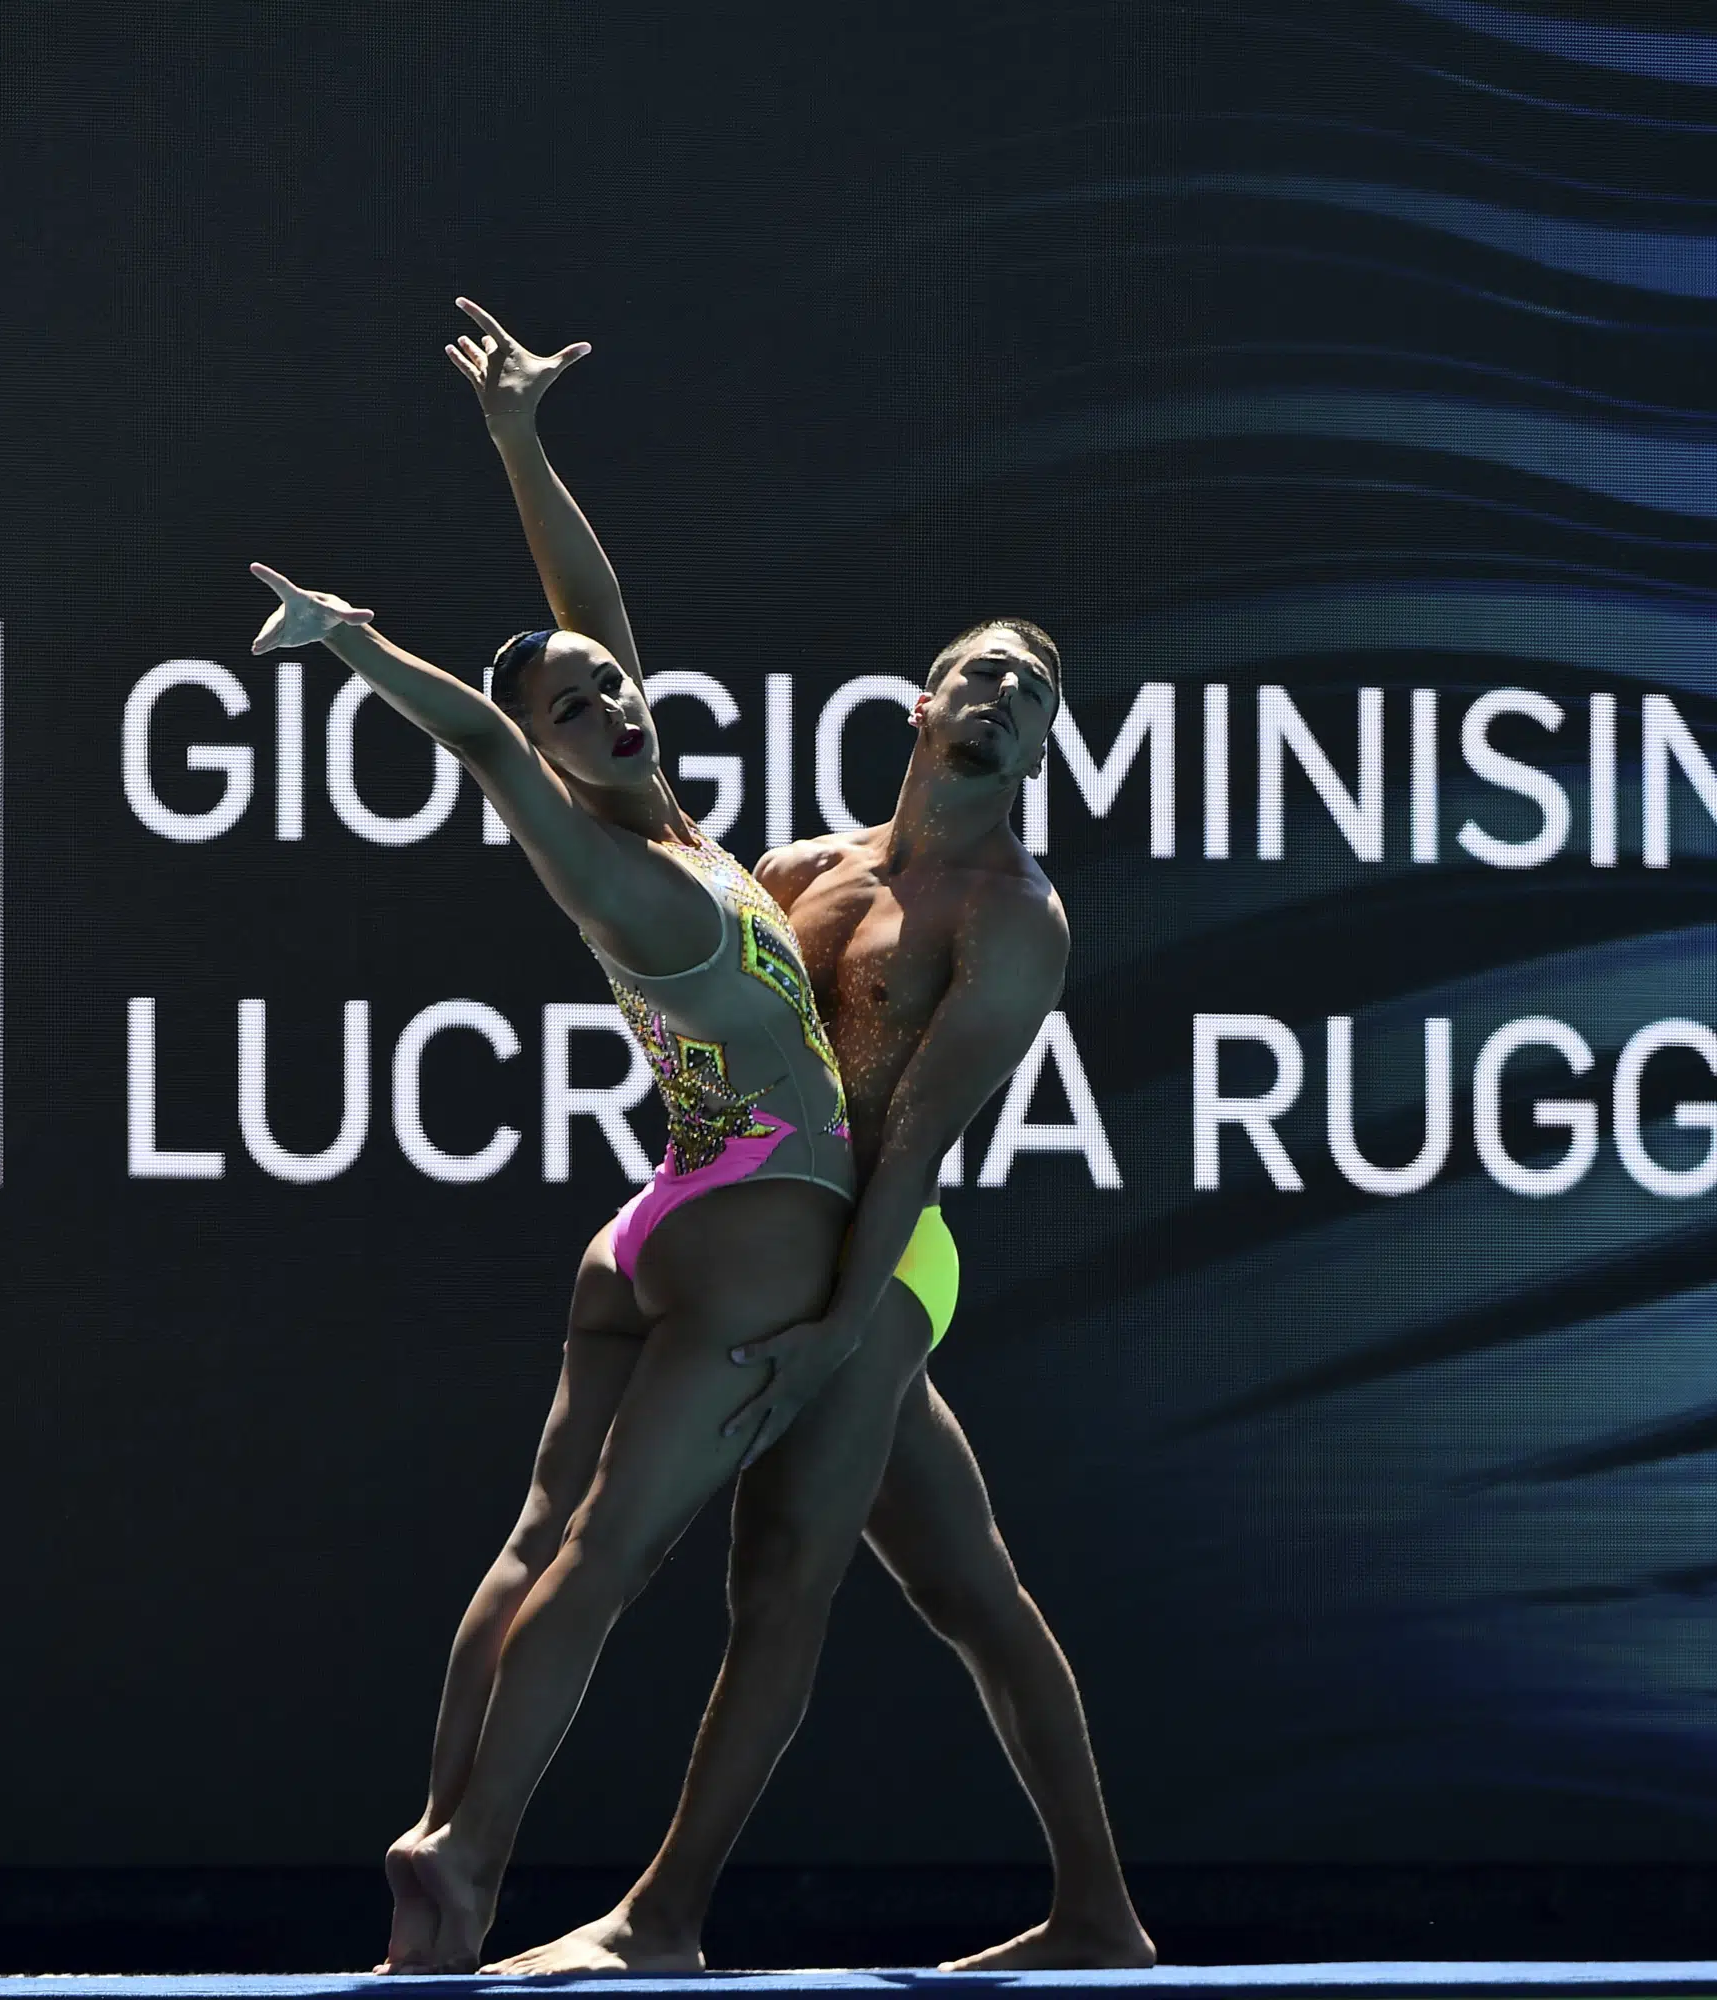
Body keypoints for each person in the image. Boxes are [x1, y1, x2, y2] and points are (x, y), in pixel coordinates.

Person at [409, 299, 1153, 1974]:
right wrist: (524, 444)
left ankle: (660, 1918)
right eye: (992, 674)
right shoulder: (808, 868)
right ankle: (1101, 1916)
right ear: (922, 699)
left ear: (1041, 748)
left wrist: (836, 1334)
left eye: (1041, 698)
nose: (1015, 701)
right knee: (970, 1584)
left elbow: (919, 1145)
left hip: (887, 1255)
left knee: (781, 1582)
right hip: (795, 1231)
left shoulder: (1016, 919)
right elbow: (599, 649)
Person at [241, 549, 865, 1974]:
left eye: (614, 688)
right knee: (597, 1559)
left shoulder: (675, 825)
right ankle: (467, 1847)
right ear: (543, 755)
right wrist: (355, 645)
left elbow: (595, 610)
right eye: (573, 712)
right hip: (750, 1217)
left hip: (660, 1217)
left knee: (540, 1543)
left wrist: (522, 436)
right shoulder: (592, 848)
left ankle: (443, 1836)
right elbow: (476, 729)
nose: (612, 704)